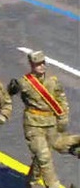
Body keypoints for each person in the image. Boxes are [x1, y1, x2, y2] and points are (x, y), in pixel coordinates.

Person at [8, 50, 80, 187]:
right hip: (33, 126)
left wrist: (63, 119)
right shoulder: (25, 82)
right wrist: (12, 88)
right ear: (31, 65)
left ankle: (32, 182)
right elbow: (11, 92)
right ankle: (54, 185)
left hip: (51, 123)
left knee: (49, 151)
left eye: (42, 63)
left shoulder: (53, 81)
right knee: (44, 156)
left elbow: (61, 101)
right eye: (37, 64)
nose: (41, 66)